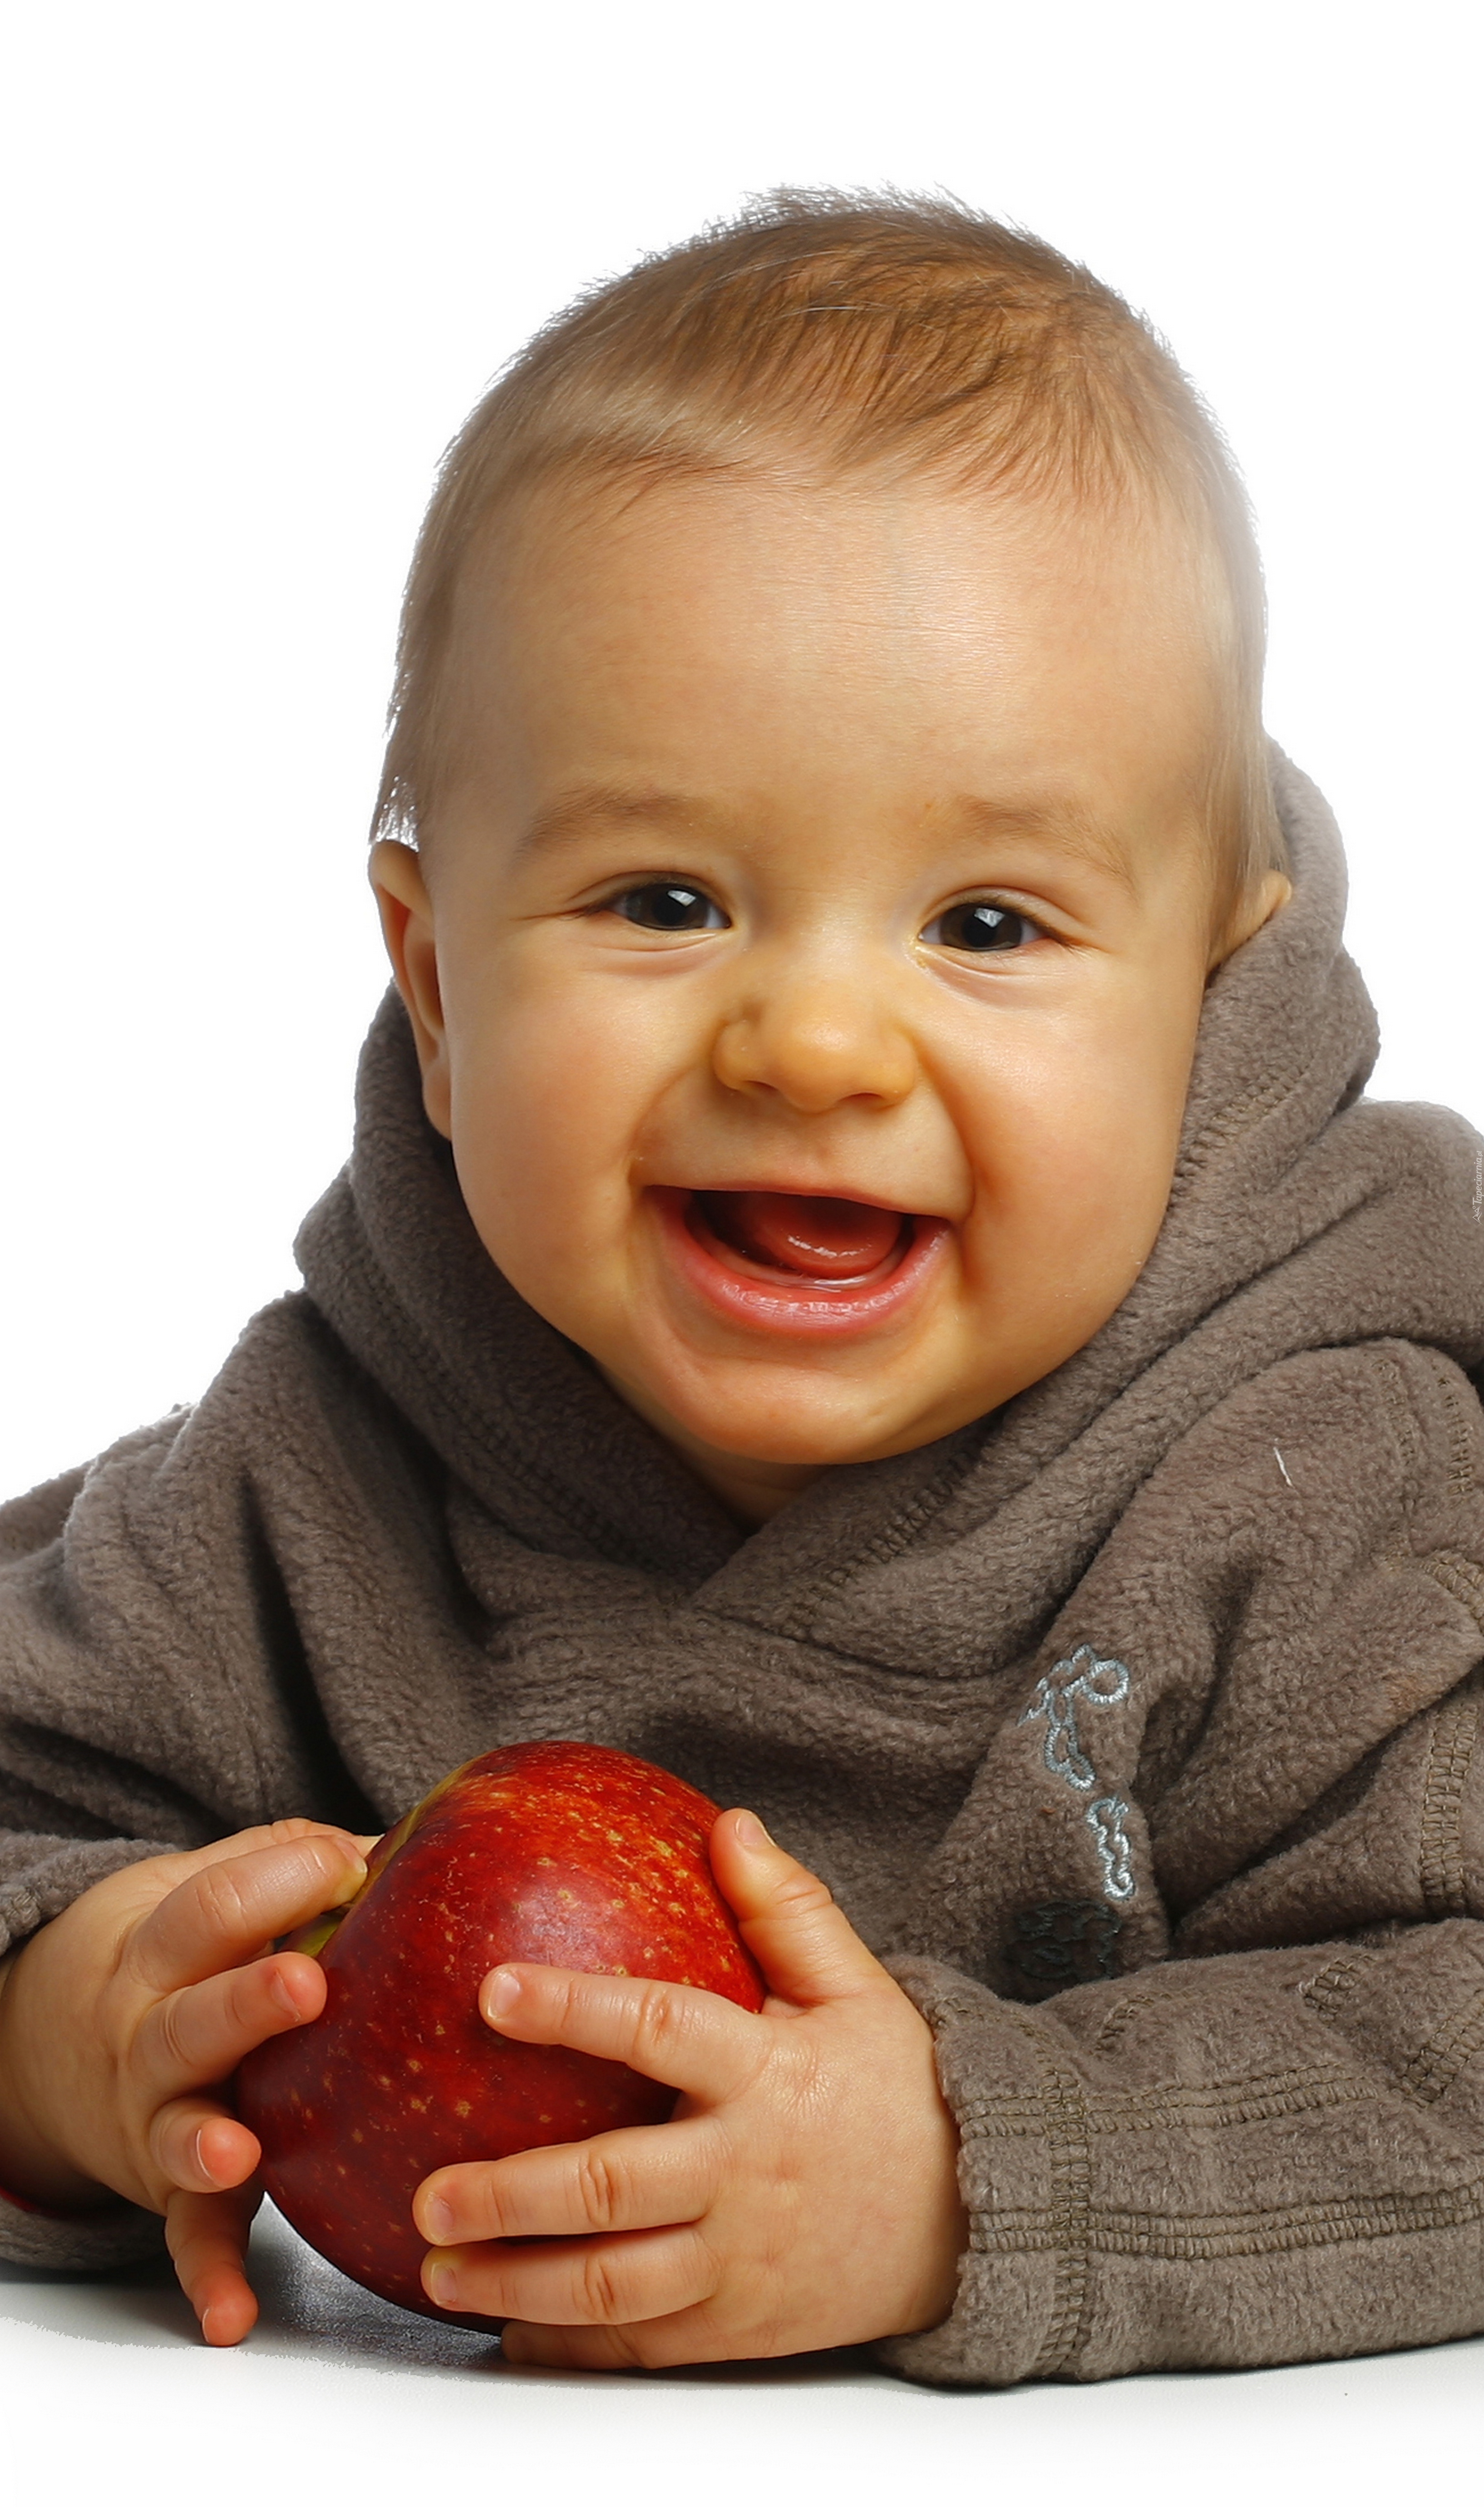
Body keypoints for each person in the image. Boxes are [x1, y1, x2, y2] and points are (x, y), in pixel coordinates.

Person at [0, 194, 1481, 2389]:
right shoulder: (318, 1477)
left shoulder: (1322, 1478)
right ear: (432, 986)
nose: (807, 1043)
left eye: (985, 925)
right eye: (665, 897)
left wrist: (978, 2172)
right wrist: (68, 2016)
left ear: (1207, 985)